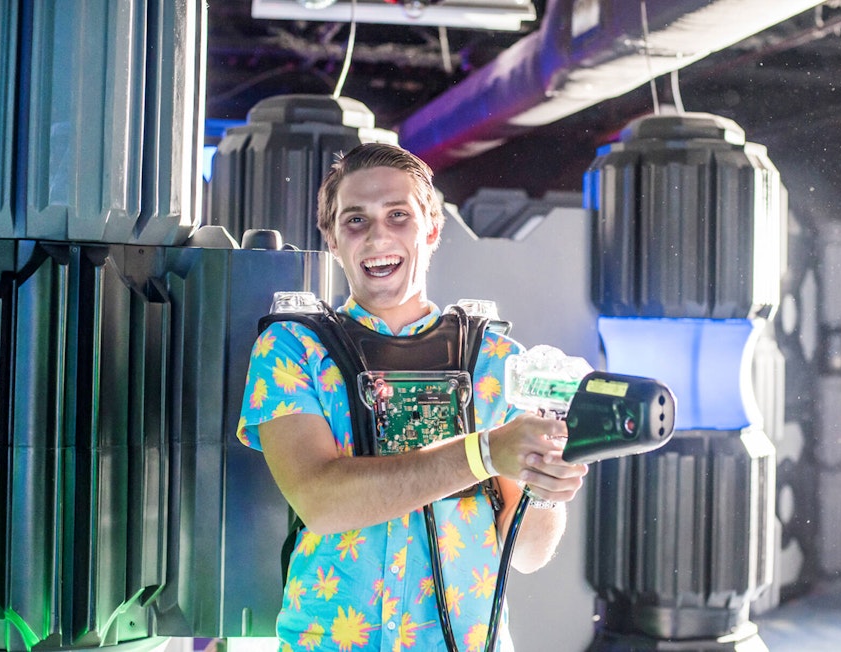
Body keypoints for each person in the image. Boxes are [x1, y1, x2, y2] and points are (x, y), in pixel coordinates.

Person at [236, 142, 588, 651]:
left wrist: (547, 486)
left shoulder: (498, 360)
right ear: (332, 239)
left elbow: (527, 552)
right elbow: (322, 501)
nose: (378, 235)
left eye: (398, 215)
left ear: (432, 228)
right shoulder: (295, 348)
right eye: (355, 220)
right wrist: (485, 452)